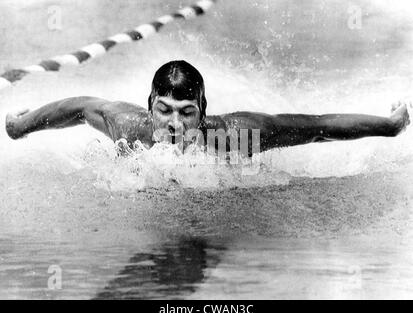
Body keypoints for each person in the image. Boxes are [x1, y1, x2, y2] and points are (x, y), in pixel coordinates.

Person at [5, 60, 410, 157]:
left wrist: (389, 125)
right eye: (164, 110)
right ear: (150, 107)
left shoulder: (234, 136)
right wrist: (20, 125)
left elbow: (316, 126)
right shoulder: (131, 126)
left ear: (204, 110)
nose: (175, 124)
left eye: (187, 112)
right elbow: (79, 107)